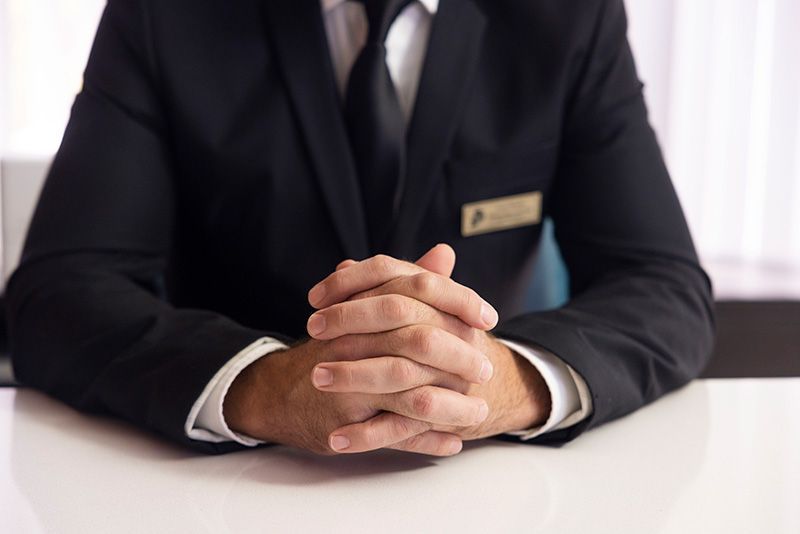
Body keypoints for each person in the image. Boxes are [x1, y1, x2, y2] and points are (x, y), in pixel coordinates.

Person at [6, 0, 714, 456]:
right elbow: (56, 291)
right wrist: (262, 386)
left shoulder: (571, 16)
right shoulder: (165, 16)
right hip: (226, 488)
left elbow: (664, 283)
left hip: (491, 486)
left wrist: (505, 381)